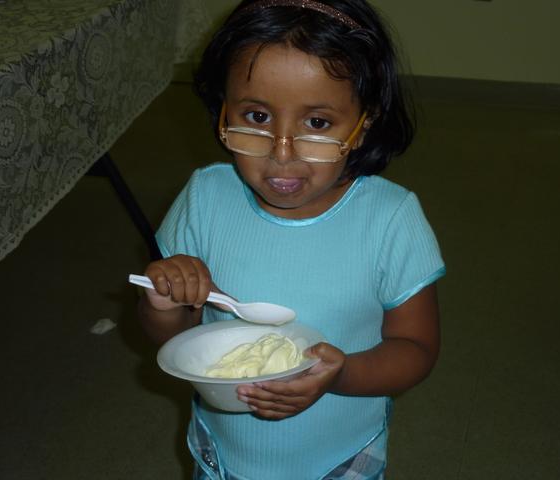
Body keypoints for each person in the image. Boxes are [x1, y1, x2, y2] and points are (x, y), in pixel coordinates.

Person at [137, 0, 445, 478]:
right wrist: (163, 304)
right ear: (224, 109)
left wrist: (341, 374)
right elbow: (178, 341)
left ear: (364, 124)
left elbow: (416, 348)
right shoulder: (204, 197)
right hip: (224, 455)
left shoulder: (391, 219)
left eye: (317, 123)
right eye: (257, 117)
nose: (282, 154)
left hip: (340, 459)